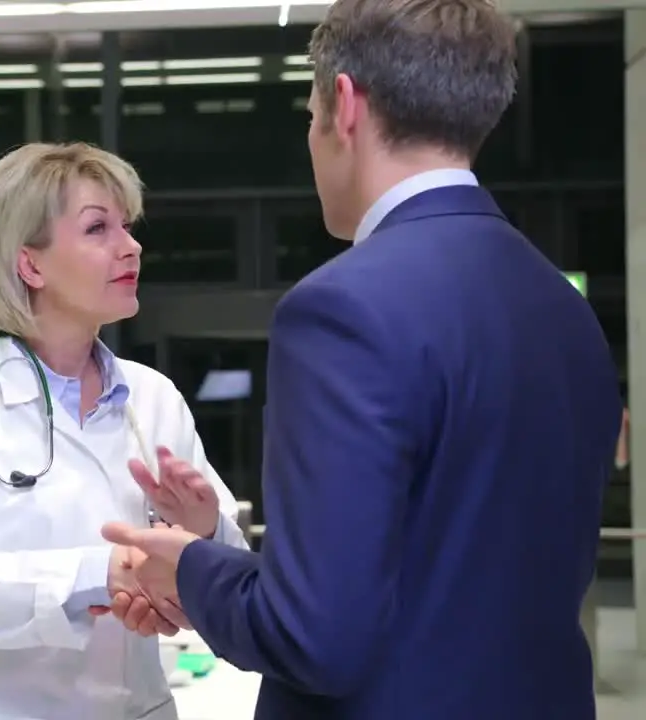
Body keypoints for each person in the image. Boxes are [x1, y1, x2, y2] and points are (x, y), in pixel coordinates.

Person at [100, 1, 623, 719]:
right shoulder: (562, 307)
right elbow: (447, 577)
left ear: (343, 106)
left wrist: (189, 570)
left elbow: (314, 638)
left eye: (309, 113)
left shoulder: (342, 310)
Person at [0, 141, 248, 720]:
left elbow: (227, 572)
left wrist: (203, 529)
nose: (130, 246)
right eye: (97, 228)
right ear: (30, 263)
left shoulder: (153, 398)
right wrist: (98, 575)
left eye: (126, 227)